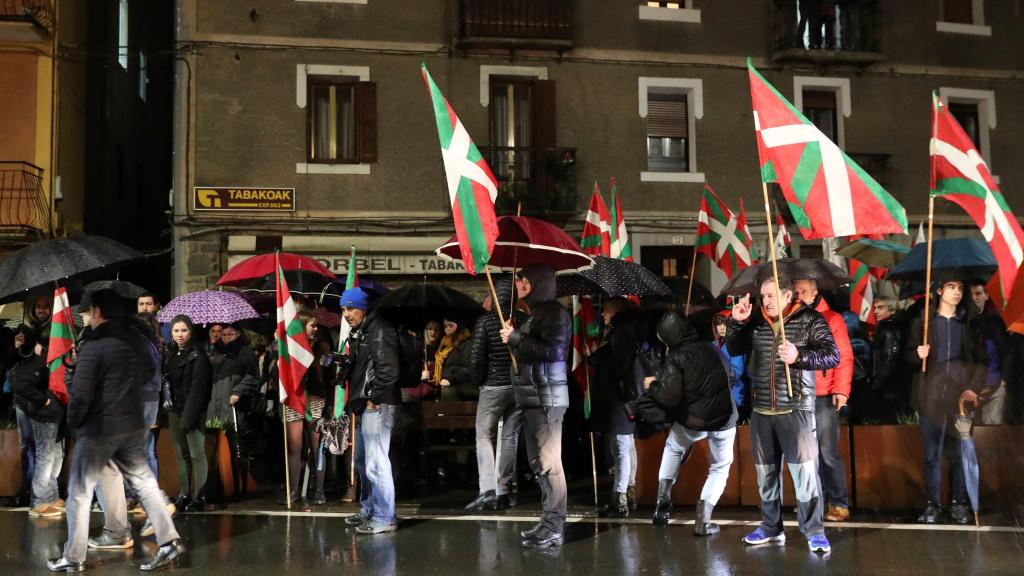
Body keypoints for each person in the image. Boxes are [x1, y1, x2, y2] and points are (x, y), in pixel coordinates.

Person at [47, 289, 185, 572]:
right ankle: (169, 541)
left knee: (79, 492)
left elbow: (81, 395)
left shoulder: (95, 345)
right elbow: (150, 374)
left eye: (88, 312)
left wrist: (74, 417)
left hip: (100, 428)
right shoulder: (138, 340)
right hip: (132, 424)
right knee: (144, 483)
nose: (86, 317)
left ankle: (73, 557)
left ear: (98, 312)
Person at [726, 274, 839, 553]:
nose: (766, 301)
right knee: (766, 475)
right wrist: (736, 323)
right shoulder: (755, 319)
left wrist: (799, 356)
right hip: (762, 410)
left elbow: (831, 355)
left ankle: (814, 531)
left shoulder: (810, 319)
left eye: (771, 295)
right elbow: (734, 348)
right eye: (763, 296)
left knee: (804, 476)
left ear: (789, 296)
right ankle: (770, 527)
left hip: (796, 409)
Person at [644, 311, 737, 534]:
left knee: (674, 448)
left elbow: (669, 397)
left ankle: (662, 502)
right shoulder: (712, 347)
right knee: (720, 467)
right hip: (724, 417)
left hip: (692, 421)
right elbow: (731, 375)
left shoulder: (674, 358)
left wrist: (653, 385)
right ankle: (703, 521)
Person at [905, 280, 988, 525]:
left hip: (959, 400)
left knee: (960, 453)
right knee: (931, 455)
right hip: (930, 398)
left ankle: (959, 503)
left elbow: (982, 361)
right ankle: (932, 504)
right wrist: (916, 355)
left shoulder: (969, 324)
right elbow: (906, 358)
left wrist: (972, 388)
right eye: (951, 287)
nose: (957, 293)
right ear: (939, 291)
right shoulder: (923, 322)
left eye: (961, 289)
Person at [500, 264, 571, 549]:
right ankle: (548, 521)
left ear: (531, 284)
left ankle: (554, 526)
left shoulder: (553, 313)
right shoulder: (538, 314)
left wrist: (516, 338)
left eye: (520, 281)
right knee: (539, 464)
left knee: (549, 463)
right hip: (533, 397)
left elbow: (553, 351)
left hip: (546, 399)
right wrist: (517, 337)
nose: (517, 286)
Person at [341, 287, 401, 534]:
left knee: (377, 462)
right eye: (344, 308)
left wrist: (375, 397)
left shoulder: (378, 329)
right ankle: (370, 509)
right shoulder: (363, 331)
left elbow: (388, 368)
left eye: (351, 308)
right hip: (364, 402)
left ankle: (385, 516)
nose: (346, 314)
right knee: (363, 460)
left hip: (376, 403)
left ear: (363, 308)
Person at [793, 278, 853, 523]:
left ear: (815, 292)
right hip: (799, 395)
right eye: (796, 291)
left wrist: (841, 390)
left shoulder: (832, 319)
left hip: (824, 393)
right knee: (806, 455)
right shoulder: (792, 319)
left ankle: (838, 503)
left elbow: (844, 357)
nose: (799, 295)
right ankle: (814, 501)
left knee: (827, 452)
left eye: (804, 291)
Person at [466, 280, 524, 511]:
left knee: (483, 436)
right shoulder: (523, 321)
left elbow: (476, 357)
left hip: (492, 386)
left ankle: (488, 490)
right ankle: (504, 489)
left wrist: (477, 381)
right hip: (517, 386)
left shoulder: (485, 321)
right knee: (510, 438)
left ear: (493, 298)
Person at [590, 297, 644, 518]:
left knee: (620, 446)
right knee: (625, 444)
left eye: (606, 310)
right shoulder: (625, 330)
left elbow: (618, 366)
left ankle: (620, 498)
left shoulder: (621, 333)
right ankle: (627, 493)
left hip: (619, 398)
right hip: (622, 397)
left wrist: (600, 357)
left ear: (617, 311)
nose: (603, 314)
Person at [283, 311, 334, 505]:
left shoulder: (322, 347)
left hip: (315, 399)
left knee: (317, 446)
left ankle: (319, 490)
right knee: (294, 447)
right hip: (294, 398)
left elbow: (328, 376)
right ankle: (293, 490)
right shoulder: (290, 347)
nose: (316, 328)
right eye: (312, 325)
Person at [11, 333, 65, 518]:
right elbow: (20, 385)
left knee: (56, 456)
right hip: (44, 415)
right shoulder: (38, 360)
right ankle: (39, 501)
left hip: (57, 416)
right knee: (46, 456)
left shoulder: (59, 360)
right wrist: (44, 401)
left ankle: (51, 495)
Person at [207, 323, 260, 508]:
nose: (226, 336)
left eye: (231, 333)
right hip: (216, 406)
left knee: (238, 449)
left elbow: (252, 376)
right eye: (224, 333)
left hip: (236, 407)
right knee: (216, 450)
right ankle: (219, 489)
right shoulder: (215, 352)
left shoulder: (245, 352)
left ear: (239, 334)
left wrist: (239, 391)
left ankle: (241, 488)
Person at [164, 315, 212, 513]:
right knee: (181, 455)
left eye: (183, 330)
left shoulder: (198, 356)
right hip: (175, 410)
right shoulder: (172, 354)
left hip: (192, 412)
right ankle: (184, 493)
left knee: (196, 454)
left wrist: (188, 417)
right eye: (176, 331)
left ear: (191, 332)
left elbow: (198, 390)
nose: (180, 334)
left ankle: (199, 495)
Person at [968, 280, 1010, 425]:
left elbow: (1006, 351)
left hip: (995, 386)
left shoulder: (996, 322)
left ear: (987, 295)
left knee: (992, 436)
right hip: (972, 386)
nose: (974, 298)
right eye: (971, 294)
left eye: (978, 293)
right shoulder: (965, 323)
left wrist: (1004, 379)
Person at [871, 296, 907, 421]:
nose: (875, 312)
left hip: (888, 390)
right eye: (875, 308)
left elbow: (890, 361)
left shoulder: (889, 331)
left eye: (880, 308)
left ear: (892, 311)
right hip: (890, 389)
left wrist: (876, 385)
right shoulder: (886, 328)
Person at [713, 311, 750, 424]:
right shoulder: (713, 345)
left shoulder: (735, 344)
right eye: (719, 324)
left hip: (736, 397)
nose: (722, 327)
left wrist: (716, 378)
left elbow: (737, 371)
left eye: (725, 323)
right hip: (719, 398)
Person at [435, 317, 475, 400]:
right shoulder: (444, 345)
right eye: (445, 326)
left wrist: (450, 380)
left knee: (447, 393)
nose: (448, 329)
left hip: (462, 386)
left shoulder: (466, 344)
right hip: (445, 384)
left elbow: (468, 368)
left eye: (450, 325)